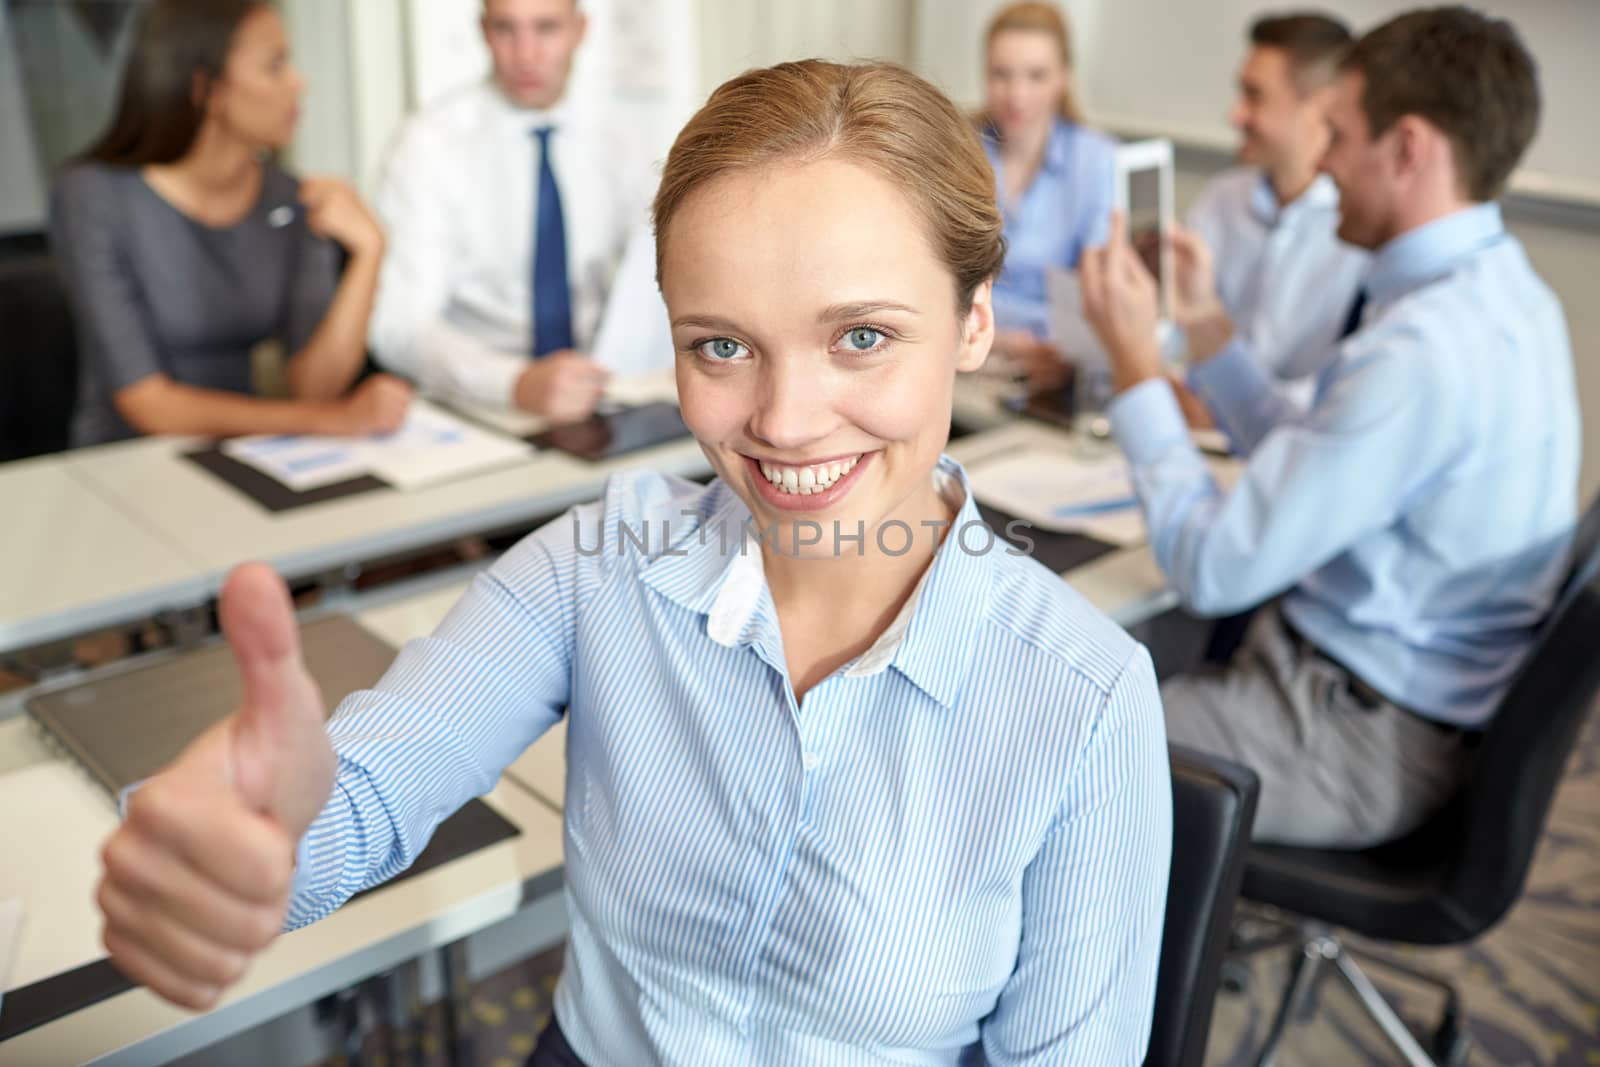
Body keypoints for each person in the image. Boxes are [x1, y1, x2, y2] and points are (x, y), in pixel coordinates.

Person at [96, 60, 1173, 1065]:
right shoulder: (597, 564)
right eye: (722, 344)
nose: (786, 423)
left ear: (973, 321)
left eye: (860, 337)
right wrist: (251, 844)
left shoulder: (1084, 698)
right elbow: (372, 786)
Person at [1082, 7, 1580, 848]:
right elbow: (1315, 447)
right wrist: (1205, 330)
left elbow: (1209, 564)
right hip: (1389, 694)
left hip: (1356, 732)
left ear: (1409, 146)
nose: (1324, 162)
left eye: (1340, 135)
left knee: (1068, 726)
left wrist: (1135, 364)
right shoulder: (1503, 294)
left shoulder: (1423, 352)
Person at [51, 0, 411, 448]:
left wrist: (369, 253)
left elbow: (314, 387)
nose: (300, 83)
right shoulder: (91, 195)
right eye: (275, 65)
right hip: (124, 464)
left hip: (247, 454)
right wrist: (332, 420)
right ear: (207, 89)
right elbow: (147, 402)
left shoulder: (291, 200)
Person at [368, 0, 669, 422]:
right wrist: (514, 382)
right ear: (483, 32)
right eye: (506, 29)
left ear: (579, 31)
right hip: (480, 400)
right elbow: (398, 325)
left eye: (545, 28)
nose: (526, 54)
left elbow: (661, 261)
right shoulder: (428, 145)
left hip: (599, 388)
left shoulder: (619, 137)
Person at [1183, 12, 1367, 396]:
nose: (1235, 114)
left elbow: (1347, 389)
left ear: (1320, 106)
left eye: (1254, 95)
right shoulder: (1221, 200)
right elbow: (1172, 331)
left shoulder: (1362, 230)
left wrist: (1224, 403)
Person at [978, 1, 1118, 390]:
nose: (1017, 95)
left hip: (1057, 372)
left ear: (1064, 78)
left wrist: (1059, 351)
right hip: (966, 357)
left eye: (1037, 76)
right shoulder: (959, 151)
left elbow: (1098, 300)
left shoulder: (1097, 162)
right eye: (1001, 75)